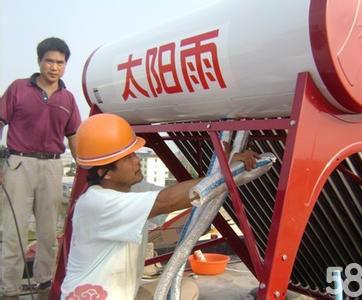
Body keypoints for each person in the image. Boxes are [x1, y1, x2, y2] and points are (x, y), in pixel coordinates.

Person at [60, 113, 258, 300]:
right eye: (128, 157)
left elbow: (176, 194)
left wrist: (224, 165)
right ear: (106, 172)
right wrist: (226, 172)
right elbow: (167, 201)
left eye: (134, 153)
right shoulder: (98, 203)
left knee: (186, 288)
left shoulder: (128, 189)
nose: (137, 160)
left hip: (123, 293)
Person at [0, 37, 81, 298]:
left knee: (48, 232)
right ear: (39, 61)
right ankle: (9, 288)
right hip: (19, 164)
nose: (54, 67)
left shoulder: (68, 98)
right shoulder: (18, 89)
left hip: (53, 167)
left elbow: (74, 136)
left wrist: (84, 169)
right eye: (49, 61)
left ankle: (44, 284)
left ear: (65, 65)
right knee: (14, 231)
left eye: (60, 62)